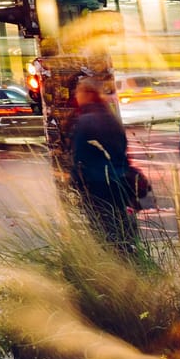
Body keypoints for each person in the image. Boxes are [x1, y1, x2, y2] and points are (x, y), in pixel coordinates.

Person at [69, 76, 140, 250]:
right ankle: (128, 260)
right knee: (119, 225)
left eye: (78, 92)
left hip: (97, 184)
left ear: (87, 94)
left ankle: (116, 267)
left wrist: (74, 182)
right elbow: (122, 147)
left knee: (103, 229)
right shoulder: (111, 118)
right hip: (120, 181)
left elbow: (79, 157)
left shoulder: (85, 121)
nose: (76, 96)